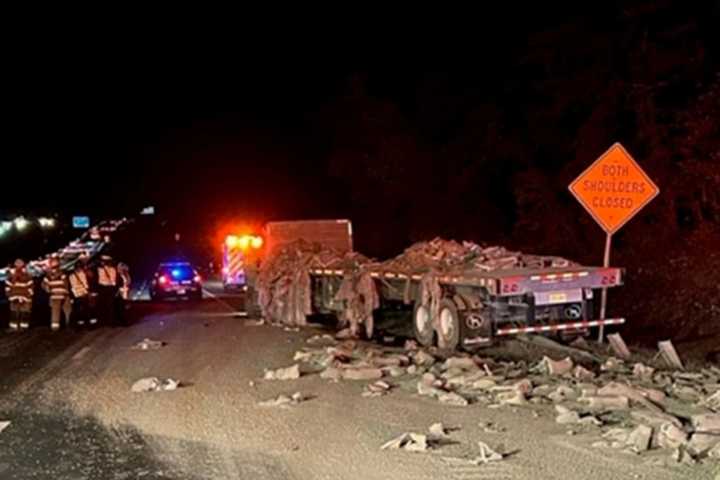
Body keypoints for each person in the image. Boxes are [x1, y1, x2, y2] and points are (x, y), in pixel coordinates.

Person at [5, 259, 34, 331]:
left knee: (23, 312)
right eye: (17, 265)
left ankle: (22, 327)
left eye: (19, 265)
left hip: (22, 297)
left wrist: (29, 296)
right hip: (18, 296)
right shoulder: (12, 276)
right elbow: (8, 286)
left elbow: (30, 286)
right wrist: (9, 295)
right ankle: (16, 327)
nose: (18, 266)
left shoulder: (26, 275)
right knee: (15, 312)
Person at [42, 258, 70, 331]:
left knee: (55, 311)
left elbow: (44, 285)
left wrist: (48, 290)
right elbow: (66, 283)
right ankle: (66, 324)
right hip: (63, 294)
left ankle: (55, 327)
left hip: (54, 295)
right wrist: (67, 292)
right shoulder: (62, 273)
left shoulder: (48, 275)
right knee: (66, 310)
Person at [68, 259, 91, 328]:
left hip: (79, 294)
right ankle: (83, 324)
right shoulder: (80, 274)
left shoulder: (73, 275)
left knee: (82, 310)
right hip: (80, 294)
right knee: (82, 310)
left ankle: (81, 324)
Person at [96, 255, 118, 325]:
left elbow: (113, 280)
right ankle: (105, 320)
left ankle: (110, 321)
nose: (103, 263)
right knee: (103, 305)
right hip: (102, 288)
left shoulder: (112, 269)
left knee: (110, 305)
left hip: (109, 288)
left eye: (104, 262)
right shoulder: (99, 269)